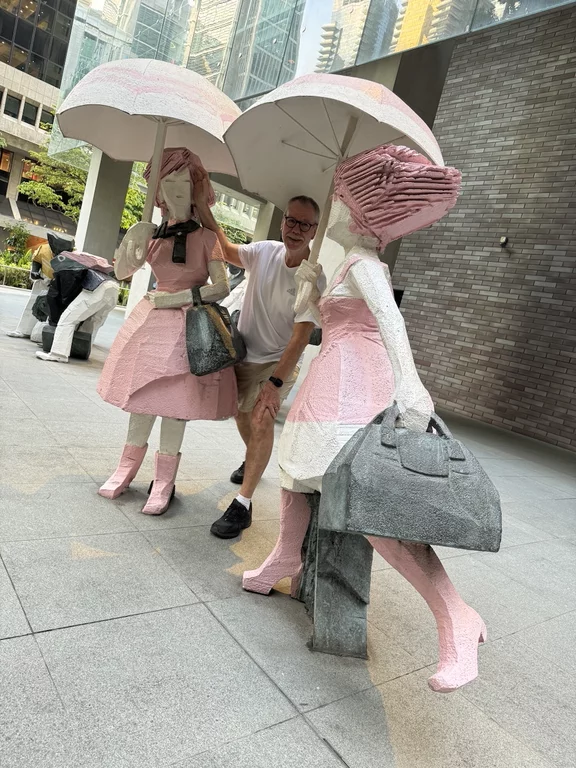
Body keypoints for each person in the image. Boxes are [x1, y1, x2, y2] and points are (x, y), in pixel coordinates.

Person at [242, 145, 490, 694]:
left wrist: (411, 384)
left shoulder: (365, 264)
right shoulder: (348, 264)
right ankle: (286, 555)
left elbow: (390, 322)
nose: (330, 209)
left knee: (371, 507)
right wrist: (312, 291)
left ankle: (455, 614)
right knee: (295, 470)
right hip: (330, 382)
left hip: (355, 389)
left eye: (338, 200)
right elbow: (331, 320)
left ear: (359, 211)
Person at [96, 148, 237, 516]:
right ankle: (125, 468)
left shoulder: (208, 238)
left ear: (198, 190)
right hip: (151, 324)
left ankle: (163, 482)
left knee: (175, 407)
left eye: (185, 183)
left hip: (187, 328)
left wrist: (180, 298)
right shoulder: (152, 235)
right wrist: (133, 242)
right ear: (157, 190)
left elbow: (222, 287)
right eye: (168, 182)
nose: (176, 191)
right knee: (141, 399)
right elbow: (122, 272)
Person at [193, 169, 325, 539]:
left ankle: (243, 504)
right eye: (291, 220)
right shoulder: (265, 251)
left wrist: (275, 384)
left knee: (262, 418)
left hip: (278, 361)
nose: (295, 229)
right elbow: (225, 249)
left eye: (305, 224)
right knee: (241, 416)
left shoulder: (312, 277)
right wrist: (203, 204)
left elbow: (301, 336)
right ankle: (254, 457)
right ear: (283, 221)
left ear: (314, 230)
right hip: (244, 354)